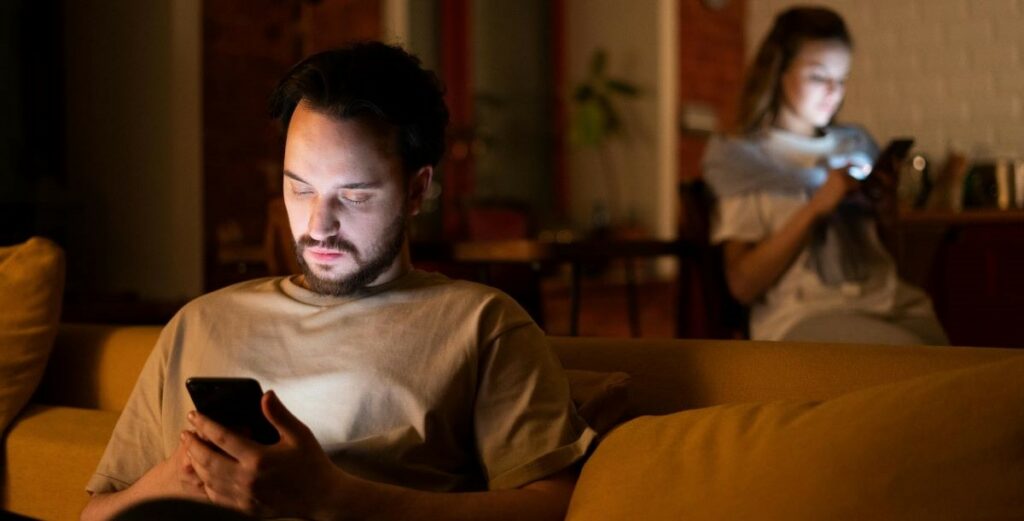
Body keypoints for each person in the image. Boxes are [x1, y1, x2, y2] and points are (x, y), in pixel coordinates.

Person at [82, 42, 595, 521]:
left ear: (417, 190)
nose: (318, 225)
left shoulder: (481, 325)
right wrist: (174, 480)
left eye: (353, 195)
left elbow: (555, 507)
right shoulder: (198, 322)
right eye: (300, 188)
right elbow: (93, 513)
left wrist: (336, 497)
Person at [701, 6, 948, 345]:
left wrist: (886, 210)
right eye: (818, 77)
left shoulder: (856, 144)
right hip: (808, 316)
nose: (833, 91)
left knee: (967, 366)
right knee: (913, 358)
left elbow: (894, 262)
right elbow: (742, 284)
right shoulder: (747, 159)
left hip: (890, 302)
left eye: (842, 79)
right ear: (779, 72)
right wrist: (818, 205)